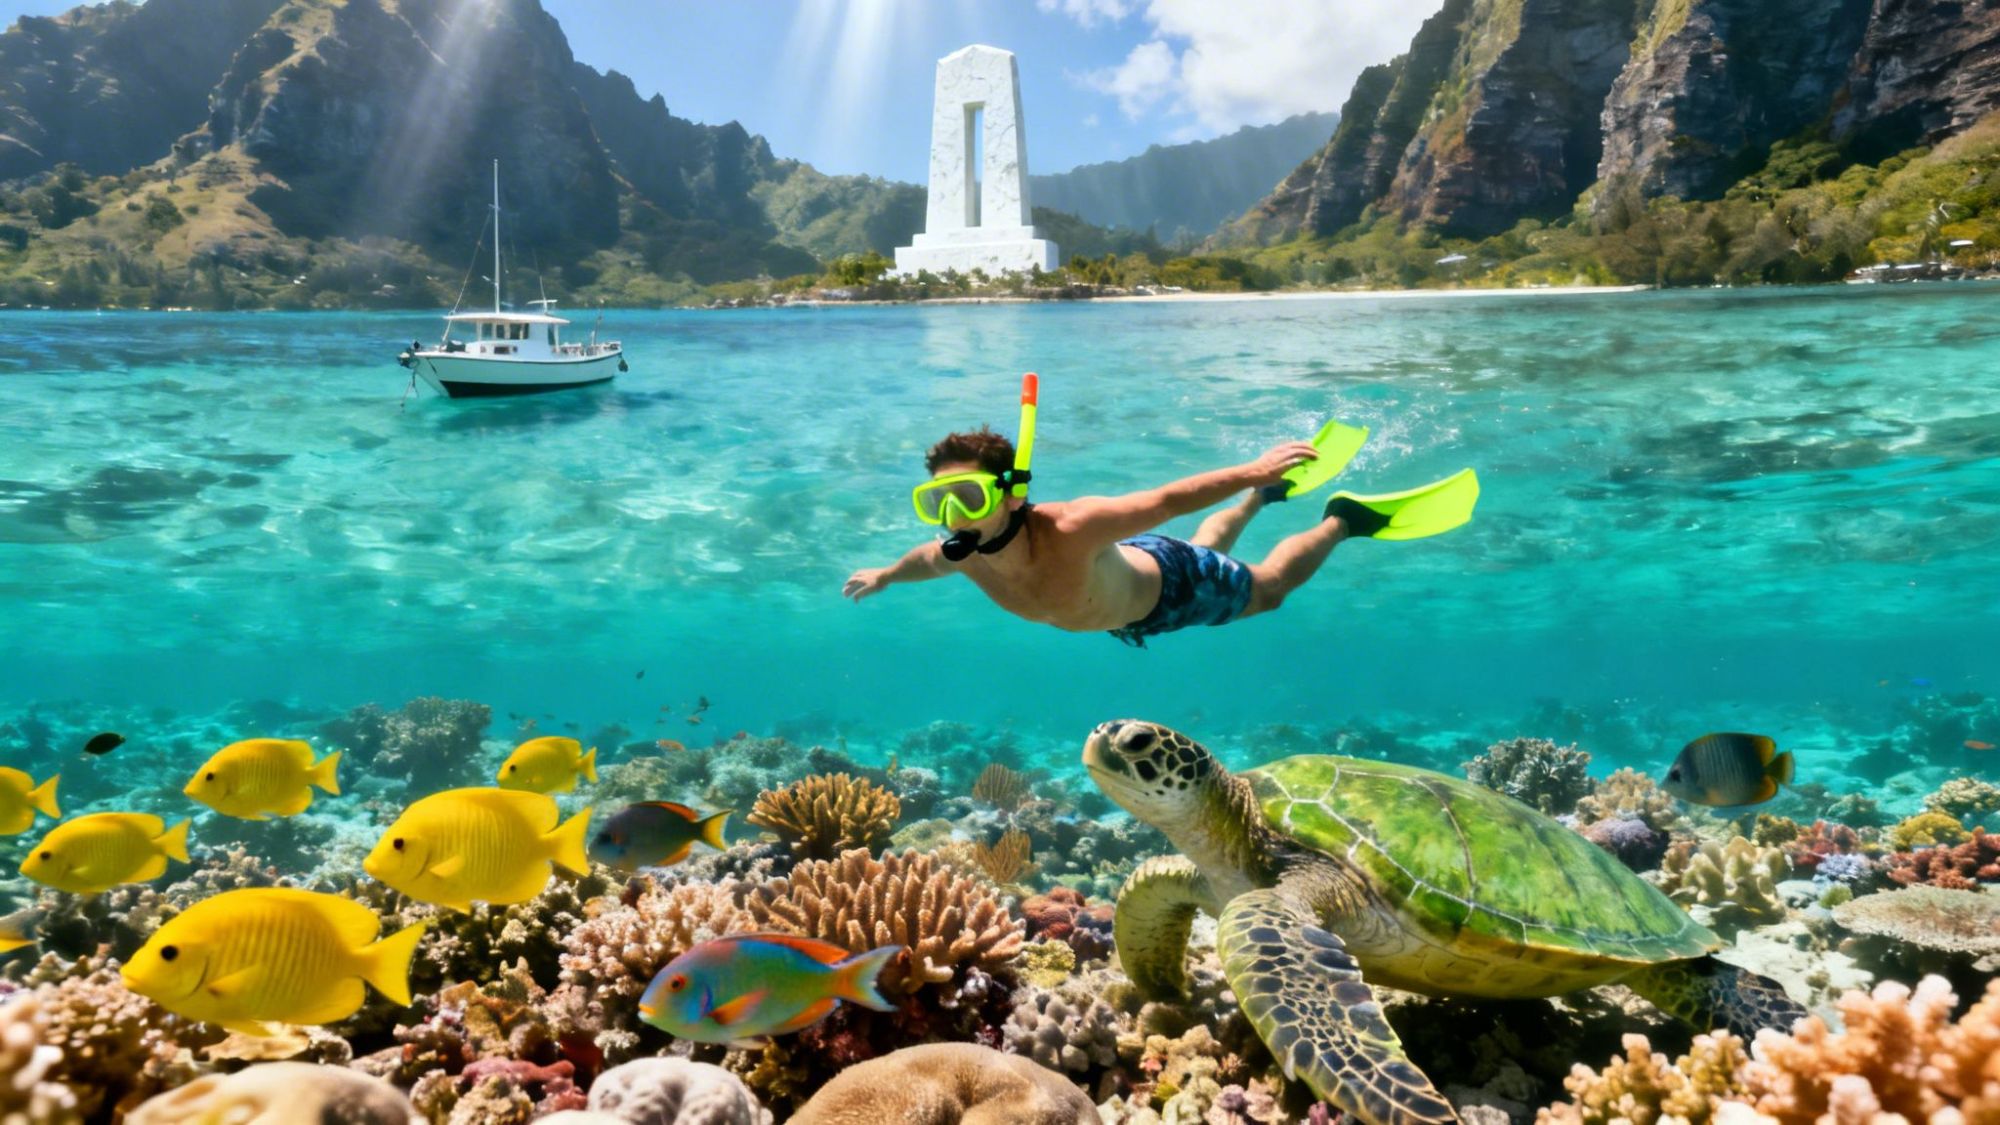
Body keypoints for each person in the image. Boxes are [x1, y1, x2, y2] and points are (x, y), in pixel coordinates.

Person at [843, 400, 1477, 645]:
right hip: (1135, 582)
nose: (953, 518)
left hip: (1172, 588)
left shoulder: (1073, 526)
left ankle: (1342, 519)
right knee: (1204, 544)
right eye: (937, 503)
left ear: (1010, 495)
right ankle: (1263, 503)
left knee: (1265, 593)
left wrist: (1252, 468)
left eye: (967, 498)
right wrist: (883, 576)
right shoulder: (959, 553)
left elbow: (1169, 498)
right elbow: (917, 563)